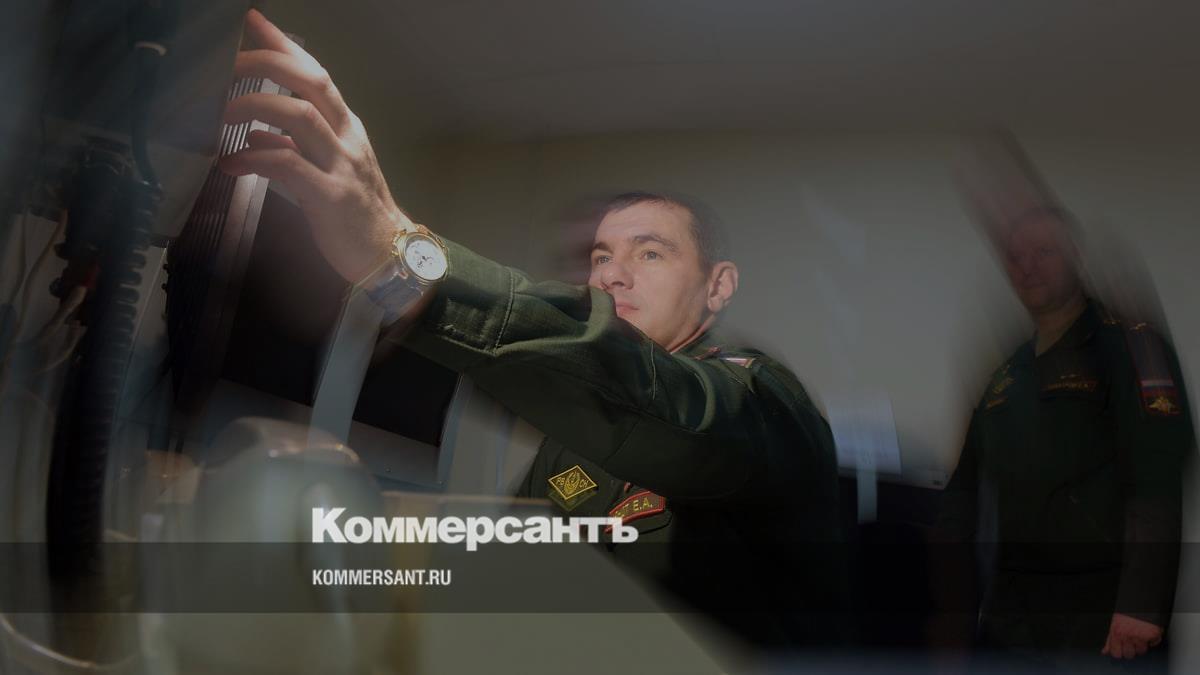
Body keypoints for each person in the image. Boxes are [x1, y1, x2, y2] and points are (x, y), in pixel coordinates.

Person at [220, 10, 848, 649]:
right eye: (602, 256)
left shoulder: (762, 405)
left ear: (718, 286)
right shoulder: (571, 444)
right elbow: (513, 560)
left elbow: (660, 404)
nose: (612, 275)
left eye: (651, 252)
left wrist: (401, 256)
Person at [934, 205, 1193, 669]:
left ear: (1074, 256)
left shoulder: (1129, 346)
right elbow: (965, 490)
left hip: (1105, 622)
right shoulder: (1007, 375)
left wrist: (1141, 604)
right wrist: (948, 616)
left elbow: (1157, 474)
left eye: (1044, 251)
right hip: (1014, 621)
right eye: (1016, 256)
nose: (1027, 266)